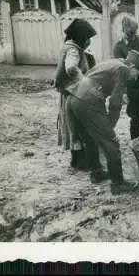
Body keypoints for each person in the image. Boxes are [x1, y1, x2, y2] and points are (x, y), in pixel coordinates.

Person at [65, 55, 139, 195]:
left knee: (89, 138)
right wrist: (110, 127)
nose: (135, 78)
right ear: (132, 67)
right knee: (112, 144)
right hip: (88, 100)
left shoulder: (114, 62)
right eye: (137, 74)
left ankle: (96, 172)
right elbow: (115, 102)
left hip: (73, 97)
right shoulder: (123, 69)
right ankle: (118, 184)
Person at [54, 18, 97, 171]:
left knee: (72, 126)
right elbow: (71, 68)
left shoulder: (69, 46)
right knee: (77, 126)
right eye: (87, 38)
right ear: (81, 37)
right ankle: (79, 161)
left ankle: (76, 159)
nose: (89, 42)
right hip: (73, 93)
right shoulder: (73, 50)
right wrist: (84, 81)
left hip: (69, 92)